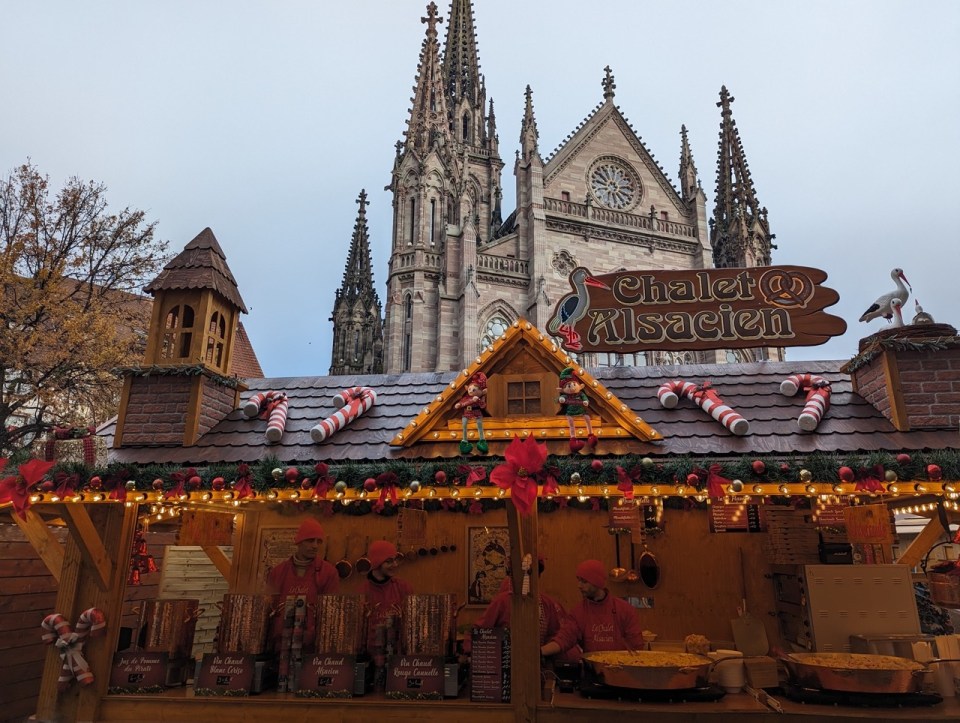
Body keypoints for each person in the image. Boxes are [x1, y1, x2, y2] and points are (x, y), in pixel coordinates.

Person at [469, 556, 580, 663]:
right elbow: (480, 631)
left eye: (531, 575)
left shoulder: (547, 603)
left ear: (538, 577)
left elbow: (555, 634)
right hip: (506, 664)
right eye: (523, 575)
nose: (527, 579)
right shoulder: (502, 601)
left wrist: (543, 653)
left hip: (536, 665)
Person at [539, 559, 643, 658]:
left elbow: (637, 646)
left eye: (584, 582)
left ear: (596, 582)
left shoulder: (625, 609)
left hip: (623, 672)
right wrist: (540, 652)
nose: (579, 586)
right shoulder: (578, 612)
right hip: (593, 672)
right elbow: (564, 639)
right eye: (579, 580)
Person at [265, 517, 340, 651]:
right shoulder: (277, 572)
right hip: (280, 645)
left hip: (313, 646)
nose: (315, 546)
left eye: (318, 541)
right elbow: (270, 609)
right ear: (298, 542)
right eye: (310, 540)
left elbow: (331, 614)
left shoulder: (329, 573)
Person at [359, 540, 413, 657]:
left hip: (398, 657)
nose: (395, 564)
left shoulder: (403, 588)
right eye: (389, 561)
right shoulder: (362, 592)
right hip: (370, 657)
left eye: (395, 560)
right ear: (377, 563)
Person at [558, 366, 597, 452]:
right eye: (568, 386)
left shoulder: (580, 394)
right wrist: (561, 399)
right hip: (570, 413)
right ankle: (573, 439)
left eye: (574, 384)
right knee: (571, 424)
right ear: (563, 389)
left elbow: (585, 399)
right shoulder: (566, 396)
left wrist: (586, 401)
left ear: (580, 386)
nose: (572, 388)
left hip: (582, 411)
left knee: (587, 418)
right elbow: (559, 399)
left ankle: (591, 435)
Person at [455, 371, 488, 454]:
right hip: (467, 413)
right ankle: (464, 441)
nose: (471, 391)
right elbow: (462, 403)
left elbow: (483, 406)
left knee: (480, 426)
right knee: (464, 426)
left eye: (474, 390)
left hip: (477, 413)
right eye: (469, 389)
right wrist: (459, 404)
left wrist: (479, 401)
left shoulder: (480, 398)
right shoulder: (466, 398)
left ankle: (482, 440)